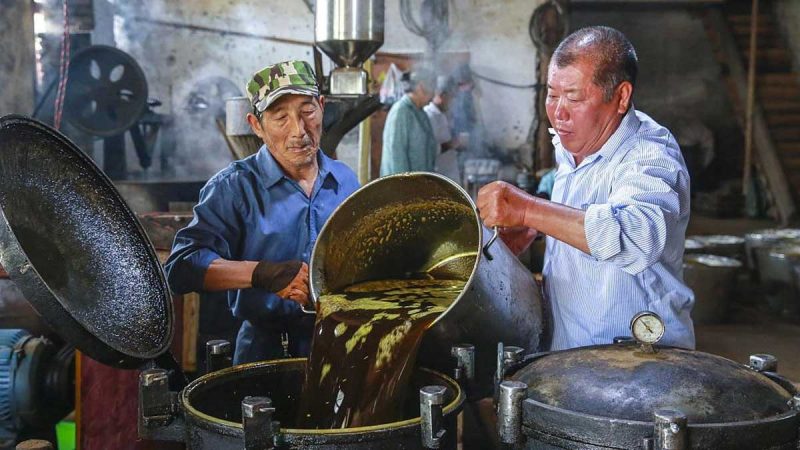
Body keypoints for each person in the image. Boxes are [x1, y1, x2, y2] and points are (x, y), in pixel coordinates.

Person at [477, 26, 695, 350]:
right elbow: (586, 215)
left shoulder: (651, 156)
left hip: (636, 362)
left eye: (574, 97)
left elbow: (635, 236)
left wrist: (526, 208)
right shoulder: (572, 142)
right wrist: (535, 227)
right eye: (551, 94)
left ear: (620, 97)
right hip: (569, 350)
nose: (558, 112)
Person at [164, 60, 360, 364]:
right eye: (280, 117)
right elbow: (181, 268)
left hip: (336, 346)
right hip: (265, 350)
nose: (299, 130)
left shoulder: (345, 180)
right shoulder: (234, 187)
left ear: (322, 107)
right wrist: (261, 274)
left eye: (307, 111)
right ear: (256, 126)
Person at [379, 67, 438, 176]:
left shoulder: (421, 113)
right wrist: (405, 189)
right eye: (433, 89)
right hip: (403, 188)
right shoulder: (401, 112)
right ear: (421, 87)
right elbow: (396, 156)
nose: (434, 95)